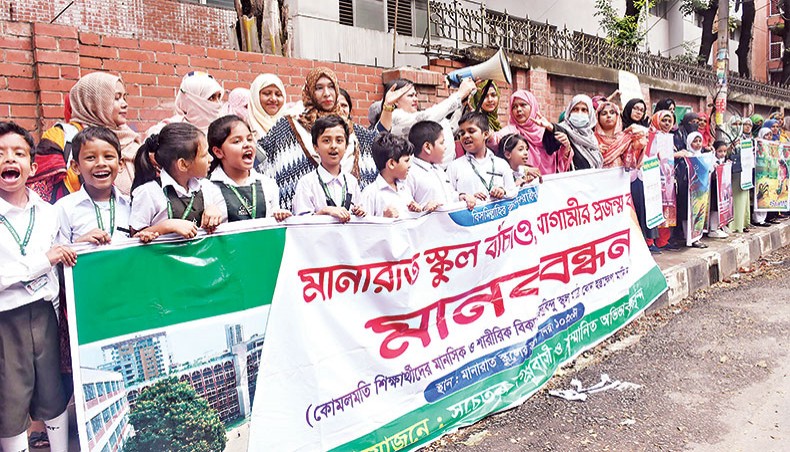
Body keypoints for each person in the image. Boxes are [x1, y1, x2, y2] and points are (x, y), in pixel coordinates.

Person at [0, 121, 77, 452]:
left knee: (52, 392)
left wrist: (81, 244)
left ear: (32, 166)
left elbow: (62, 254)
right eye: (0, 153)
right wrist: (42, 260)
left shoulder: (47, 212)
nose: (9, 159)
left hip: (45, 314)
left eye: (18, 153)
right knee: (11, 397)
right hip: (6, 319)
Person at [258, 67, 406, 211]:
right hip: (308, 215)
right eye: (319, 88)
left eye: (331, 87)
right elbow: (259, 155)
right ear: (309, 91)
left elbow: (375, 140)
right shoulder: (291, 125)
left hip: (349, 215)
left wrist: (387, 107)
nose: (327, 93)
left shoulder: (348, 126)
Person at [32, 72, 141, 201]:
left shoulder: (131, 139)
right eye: (116, 98)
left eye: (124, 97)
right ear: (93, 103)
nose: (124, 104)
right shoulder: (61, 137)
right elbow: (39, 195)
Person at [130, 122, 224, 240]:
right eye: (204, 155)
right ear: (183, 164)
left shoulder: (207, 187)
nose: (211, 159)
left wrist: (214, 211)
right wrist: (167, 226)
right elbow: (134, 238)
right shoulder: (148, 193)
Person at [54, 127, 133, 245]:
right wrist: (79, 245)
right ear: (76, 167)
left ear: (120, 164)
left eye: (108, 156)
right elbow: (56, 256)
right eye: (90, 158)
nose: (101, 163)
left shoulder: (131, 206)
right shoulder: (64, 209)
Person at [207, 115, 291, 222]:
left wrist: (279, 216)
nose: (247, 144)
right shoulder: (207, 188)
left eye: (250, 139)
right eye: (237, 141)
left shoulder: (267, 184)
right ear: (218, 152)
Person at [387, 76, 476, 167]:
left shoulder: (414, 117)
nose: (416, 99)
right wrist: (459, 94)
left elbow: (450, 129)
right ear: (395, 101)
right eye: (410, 96)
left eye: (416, 95)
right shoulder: (395, 117)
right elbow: (427, 117)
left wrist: (462, 104)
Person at [292, 115, 366, 221]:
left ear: (346, 146)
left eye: (339, 140)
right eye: (326, 140)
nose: (333, 146)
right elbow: (301, 225)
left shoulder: (351, 182)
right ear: (315, 147)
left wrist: (360, 213)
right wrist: (325, 211)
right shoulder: (306, 183)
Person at [494, 90, 570, 175]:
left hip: (550, 183)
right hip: (524, 185)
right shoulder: (511, 132)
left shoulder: (546, 132)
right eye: (514, 107)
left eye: (523, 105)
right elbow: (493, 140)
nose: (518, 109)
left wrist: (566, 146)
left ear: (532, 106)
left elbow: (561, 159)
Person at [405, 120, 477, 210]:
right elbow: (406, 204)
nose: (445, 147)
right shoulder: (409, 173)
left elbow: (450, 195)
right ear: (427, 147)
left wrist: (461, 197)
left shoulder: (439, 170)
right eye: (442, 143)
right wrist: (423, 208)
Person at [447, 112, 515, 201]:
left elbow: (513, 191)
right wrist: (463, 197)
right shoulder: (454, 166)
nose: (466, 136)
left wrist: (503, 191)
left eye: (471, 131)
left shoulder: (501, 164)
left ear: (485, 134)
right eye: (462, 133)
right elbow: (447, 194)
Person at [361, 133, 427, 218]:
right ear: (391, 163)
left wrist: (419, 210)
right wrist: (384, 218)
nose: (409, 165)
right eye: (406, 161)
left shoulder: (404, 188)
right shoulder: (371, 193)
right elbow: (364, 227)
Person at [536, 94, 604, 170]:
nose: (579, 113)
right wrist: (551, 128)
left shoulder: (592, 138)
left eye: (584, 110)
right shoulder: (564, 129)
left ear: (590, 114)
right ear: (569, 112)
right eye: (575, 109)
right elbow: (556, 138)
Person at [146, 71, 224, 137]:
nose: (218, 103)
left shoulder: (225, 131)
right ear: (193, 101)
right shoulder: (166, 133)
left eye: (219, 97)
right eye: (211, 98)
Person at [594, 101, 647, 168]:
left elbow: (632, 165)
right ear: (597, 117)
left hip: (621, 177)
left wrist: (635, 148)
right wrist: (594, 151)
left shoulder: (626, 138)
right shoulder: (591, 139)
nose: (609, 116)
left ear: (617, 116)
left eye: (612, 113)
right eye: (604, 113)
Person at [248, 74, 287, 139]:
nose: (273, 99)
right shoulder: (244, 129)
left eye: (278, 94)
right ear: (255, 97)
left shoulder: (292, 129)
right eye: (267, 93)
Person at [707, 140, 731, 238]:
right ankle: (713, 229)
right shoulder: (712, 161)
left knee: (721, 207)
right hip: (714, 188)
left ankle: (720, 226)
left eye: (724, 151)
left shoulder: (724, 161)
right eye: (720, 151)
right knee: (714, 208)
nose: (723, 154)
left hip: (722, 189)